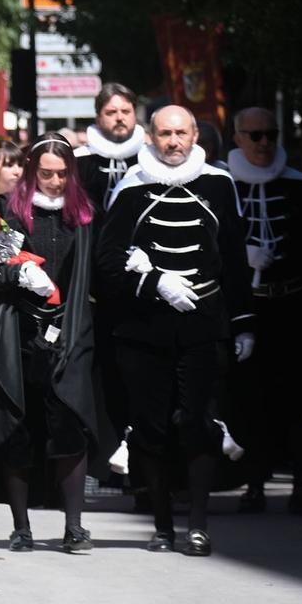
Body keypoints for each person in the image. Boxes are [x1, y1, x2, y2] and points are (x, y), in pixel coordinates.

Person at [96, 105, 253, 557]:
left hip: (204, 321)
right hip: (145, 327)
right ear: (150, 136)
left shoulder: (219, 184)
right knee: (151, 426)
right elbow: (107, 263)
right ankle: (162, 524)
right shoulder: (132, 188)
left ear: (195, 134)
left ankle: (198, 524)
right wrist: (154, 282)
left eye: (180, 133)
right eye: (164, 133)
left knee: (200, 421)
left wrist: (244, 323)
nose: (173, 142)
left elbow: (235, 261)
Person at [0, 135, 107, 552]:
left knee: (71, 423)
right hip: (15, 332)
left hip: (70, 331)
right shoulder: (1, 211)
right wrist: (13, 276)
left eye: (62, 174)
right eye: (45, 173)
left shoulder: (86, 214)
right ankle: (21, 526)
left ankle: (74, 526)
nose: (54, 182)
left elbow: (99, 273)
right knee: (17, 428)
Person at [225, 108, 302, 515]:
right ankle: (254, 485)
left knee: (296, 394)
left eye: (270, 134)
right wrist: (242, 258)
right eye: (254, 135)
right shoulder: (224, 185)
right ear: (238, 138)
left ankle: (301, 480)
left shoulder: (301, 187)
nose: (263, 143)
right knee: (250, 397)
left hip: (293, 305)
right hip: (247, 309)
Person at [75, 83, 144, 212]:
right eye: (111, 112)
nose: (119, 118)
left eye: (126, 111)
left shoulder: (149, 158)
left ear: (135, 115)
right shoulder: (78, 160)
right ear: (98, 119)